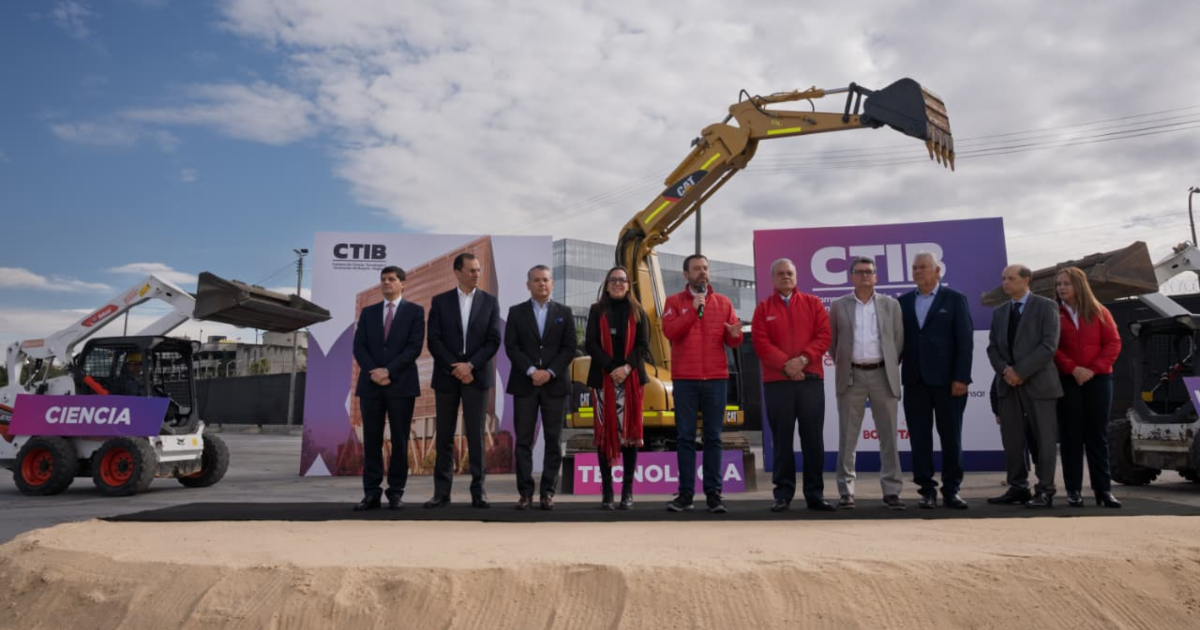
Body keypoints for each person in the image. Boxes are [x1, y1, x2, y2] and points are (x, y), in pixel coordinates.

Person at [661, 254, 743, 513]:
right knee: (685, 437)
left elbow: (733, 342)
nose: (702, 273)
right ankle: (685, 495)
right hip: (685, 379)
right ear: (686, 274)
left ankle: (714, 495)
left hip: (716, 378)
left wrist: (735, 334)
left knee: (713, 437)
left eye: (705, 268)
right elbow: (670, 332)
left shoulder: (723, 302)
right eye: (697, 269)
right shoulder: (674, 302)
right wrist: (692, 311)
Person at [752, 258, 834, 512]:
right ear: (773, 279)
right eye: (780, 273)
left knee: (813, 440)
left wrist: (802, 360)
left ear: (796, 277)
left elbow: (824, 335)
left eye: (789, 273)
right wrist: (787, 366)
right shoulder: (763, 308)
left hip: (810, 381)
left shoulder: (813, 304)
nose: (785, 277)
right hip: (778, 384)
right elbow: (760, 343)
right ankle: (783, 493)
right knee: (782, 440)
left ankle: (815, 494)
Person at [424, 252, 502, 509]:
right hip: (447, 377)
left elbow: (493, 340)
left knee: (476, 436)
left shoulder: (490, 302)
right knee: (444, 435)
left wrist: (470, 365)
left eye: (478, 270)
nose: (477, 274)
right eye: (471, 270)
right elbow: (434, 339)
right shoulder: (440, 301)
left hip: (477, 377)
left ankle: (478, 492)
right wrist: (454, 366)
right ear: (457, 272)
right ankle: (441, 493)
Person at [897, 252, 973, 509]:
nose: (918, 271)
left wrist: (961, 377)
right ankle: (926, 490)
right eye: (915, 268)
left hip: (948, 383)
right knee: (919, 439)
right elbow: (898, 341)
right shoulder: (904, 302)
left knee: (951, 437)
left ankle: (952, 490)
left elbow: (965, 342)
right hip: (915, 381)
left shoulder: (955, 299)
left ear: (937, 270)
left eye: (924, 267)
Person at [829, 256, 905, 510]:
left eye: (869, 272)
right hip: (852, 376)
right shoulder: (839, 306)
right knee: (847, 438)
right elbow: (833, 343)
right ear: (852, 276)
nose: (864, 276)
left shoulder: (891, 305)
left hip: (883, 375)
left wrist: (886, 365)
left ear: (876, 277)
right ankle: (846, 491)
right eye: (860, 272)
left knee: (889, 438)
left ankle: (892, 490)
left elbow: (898, 341)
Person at [987, 264, 1062, 508]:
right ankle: (1017, 486)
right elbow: (993, 348)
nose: (1005, 283)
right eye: (1003, 278)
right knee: (1012, 439)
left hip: (1039, 384)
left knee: (1044, 438)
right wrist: (1006, 371)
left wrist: (1020, 371)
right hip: (1008, 386)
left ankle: (1045, 489)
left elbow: (1048, 346)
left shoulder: (1046, 306)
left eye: (1010, 278)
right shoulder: (999, 312)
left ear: (1026, 280)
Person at [351, 266, 426, 511]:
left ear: (403, 283)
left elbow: (414, 348)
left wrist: (388, 371)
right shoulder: (369, 312)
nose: (386, 283)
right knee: (371, 441)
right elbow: (359, 347)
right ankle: (371, 493)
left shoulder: (415, 312)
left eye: (391, 279)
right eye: (383, 279)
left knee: (400, 441)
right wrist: (375, 372)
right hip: (371, 386)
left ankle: (395, 493)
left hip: (401, 386)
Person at [504, 265, 577, 511]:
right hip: (525, 384)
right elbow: (512, 347)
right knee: (523, 441)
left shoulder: (565, 312)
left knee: (553, 440)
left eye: (545, 280)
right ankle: (525, 494)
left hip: (555, 386)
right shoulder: (516, 312)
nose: (541, 284)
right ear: (528, 285)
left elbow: (569, 347)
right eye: (536, 280)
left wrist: (550, 372)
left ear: (552, 284)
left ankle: (547, 493)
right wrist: (532, 371)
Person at [1054, 266, 1122, 508]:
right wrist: (1073, 369)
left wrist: (1092, 369)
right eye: (1059, 284)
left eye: (1066, 283)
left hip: (1099, 380)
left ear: (1079, 286)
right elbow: (1052, 347)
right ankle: (1073, 490)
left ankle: (1103, 491)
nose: (1062, 288)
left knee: (1097, 435)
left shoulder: (1099, 311)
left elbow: (1113, 343)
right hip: (1068, 380)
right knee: (1070, 436)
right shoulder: (1054, 313)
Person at [585, 266, 650, 510]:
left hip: (631, 380)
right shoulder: (596, 310)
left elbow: (643, 345)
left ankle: (627, 492)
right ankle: (608, 493)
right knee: (605, 437)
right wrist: (613, 367)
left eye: (622, 280)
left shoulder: (638, 310)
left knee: (629, 438)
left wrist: (626, 369)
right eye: (613, 280)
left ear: (628, 284)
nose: (617, 284)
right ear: (607, 283)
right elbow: (590, 343)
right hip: (603, 381)